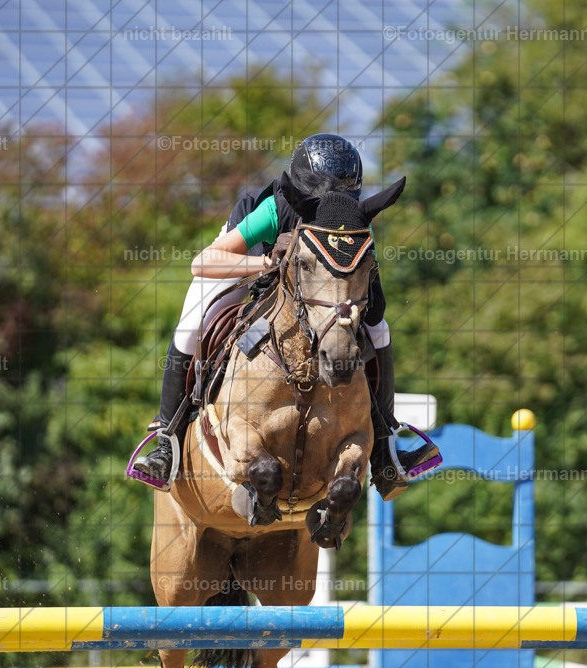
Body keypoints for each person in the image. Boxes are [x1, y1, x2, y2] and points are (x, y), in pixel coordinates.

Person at [131, 133, 439, 500]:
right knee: (191, 325)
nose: (334, 214)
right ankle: (168, 439)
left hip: (316, 293)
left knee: (379, 329)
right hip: (245, 265)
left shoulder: (353, 222)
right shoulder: (275, 208)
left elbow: (369, 295)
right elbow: (203, 262)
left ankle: (386, 444)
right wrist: (264, 264)